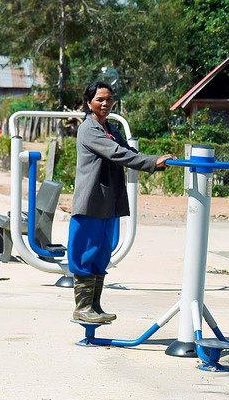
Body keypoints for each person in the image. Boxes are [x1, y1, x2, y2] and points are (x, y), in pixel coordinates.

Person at [68, 81, 174, 324]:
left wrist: (155, 160)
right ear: (89, 103)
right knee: (84, 252)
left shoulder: (112, 129)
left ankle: (94, 306)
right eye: (99, 100)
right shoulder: (89, 129)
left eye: (109, 99)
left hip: (108, 201)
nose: (105, 103)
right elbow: (117, 154)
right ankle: (82, 307)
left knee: (102, 253)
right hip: (91, 200)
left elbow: (129, 152)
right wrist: (152, 162)